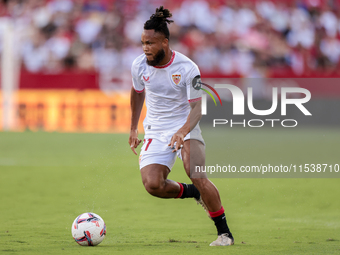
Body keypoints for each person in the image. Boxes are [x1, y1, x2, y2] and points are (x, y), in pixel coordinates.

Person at [128, 6, 234, 246]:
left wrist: (183, 131)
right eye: (143, 43)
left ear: (165, 43)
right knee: (153, 185)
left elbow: (197, 108)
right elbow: (137, 93)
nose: (145, 48)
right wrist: (134, 128)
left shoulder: (188, 68)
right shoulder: (138, 65)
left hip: (186, 124)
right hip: (156, 127)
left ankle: (224, 233)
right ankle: (193, 193)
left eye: (151, 43)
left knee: (195, 171)